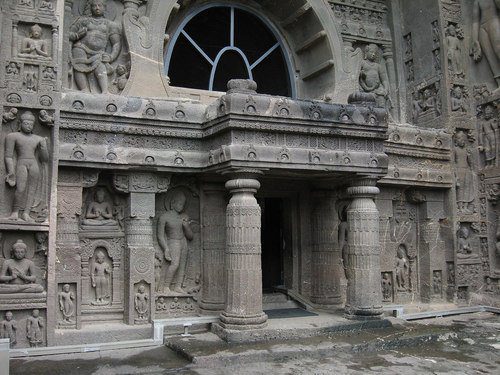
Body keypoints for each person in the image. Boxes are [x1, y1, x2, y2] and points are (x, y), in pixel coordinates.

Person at [4, 110, 49, 222]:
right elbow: (8, 156)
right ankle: (14, 212)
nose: (29, 126)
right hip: (21, 163)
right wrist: (11, 172)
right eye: (26, 123)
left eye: (31, 124)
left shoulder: (38, 139)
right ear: (20, 124)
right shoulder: (13, 136)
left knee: (32, 190)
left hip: (33, 164)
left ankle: (26, 213)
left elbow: (45, 159)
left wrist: (43, 147)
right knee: (20, 188)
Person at [69, 0, 122, 93]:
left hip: (99, 52)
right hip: (81, 47)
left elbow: (116, 43)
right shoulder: (83, 21)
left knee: (100, 67)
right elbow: (68, 34)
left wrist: (111, 56)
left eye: (99, 5)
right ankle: (84, 89)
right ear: (90, 8)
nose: (97, 8)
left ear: (104, 8)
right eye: (94, 6)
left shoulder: (110, 25)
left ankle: (105, 91)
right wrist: (77, 35)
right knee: (79, 65)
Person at [157, 191, 194, 294]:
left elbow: (190, 237)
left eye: (182, 204)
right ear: (172, 202)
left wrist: (186, 226)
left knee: (182, 265)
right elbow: (160, 236)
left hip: (183, 242)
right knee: (175, 264)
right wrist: (166, 249)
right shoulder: (164, 217)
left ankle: (178, 286)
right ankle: (165, 287)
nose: (181, 206)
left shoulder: (183, 217)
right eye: (179, 203)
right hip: (173, 242)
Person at [472, 0, 500, 92]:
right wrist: (475, 40)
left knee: (498, 49)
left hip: (494, 22)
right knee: (490, 56)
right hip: (482, 28)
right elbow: (475, 21)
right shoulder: (477, 1)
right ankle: (499, 83)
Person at [359, 44, 390, 108]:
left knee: (381, 102)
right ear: (366, 52)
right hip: (364, 89)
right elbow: (357, 75)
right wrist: (361, 74)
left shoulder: (378, 66)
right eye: (371, 52)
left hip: (377, 89)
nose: (373, 54)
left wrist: (386, 89)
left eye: (375, 53)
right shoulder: (362, 63)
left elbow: (384, 80)